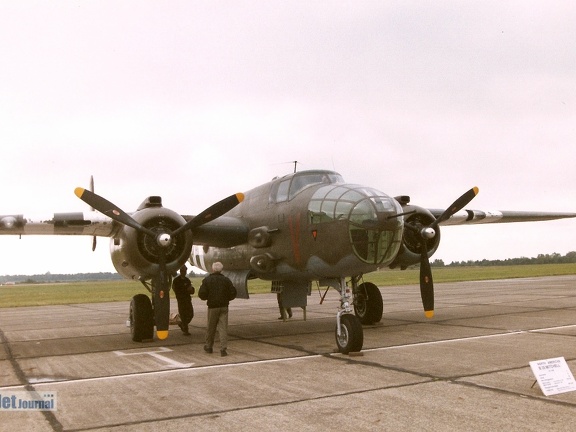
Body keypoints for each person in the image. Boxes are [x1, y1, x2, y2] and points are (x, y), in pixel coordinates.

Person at [198, 262, 237, 356]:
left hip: (213, 307)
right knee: (223, 328)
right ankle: (223, 349)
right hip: (224, 306)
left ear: (213, 269)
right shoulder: (226, 280)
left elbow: (201, 294)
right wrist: (227, 299)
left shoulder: (207, 280)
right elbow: (233, 292)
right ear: (221, 270)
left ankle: (209, 346)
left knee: (211, 328)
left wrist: (208, 297)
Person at [172, 265, 194, 336]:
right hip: (181, 300)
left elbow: (191, 289)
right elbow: (175, 289)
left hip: (187, 299)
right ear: (180, 271)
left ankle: (182, 324)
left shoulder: (187, 280)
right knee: (183, 314)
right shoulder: (176, 280)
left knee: (190, 314)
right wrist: (185, 290)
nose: (184, 272)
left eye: (185, 271)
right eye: (182, 271)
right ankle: (185, 330)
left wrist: (191, 290)